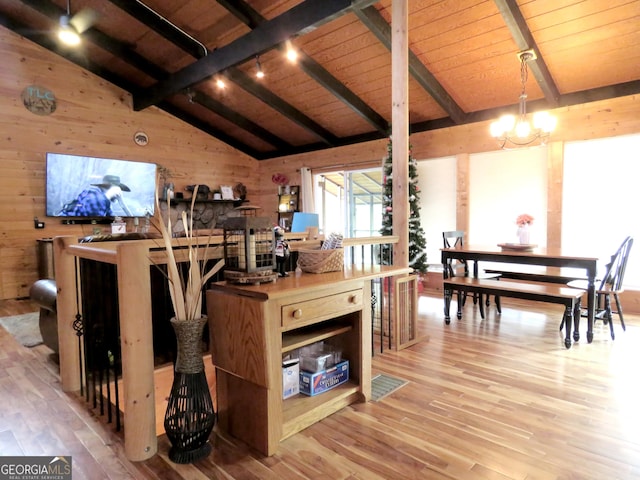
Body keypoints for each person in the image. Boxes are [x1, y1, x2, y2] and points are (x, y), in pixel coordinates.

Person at [59, 175, 132, 216]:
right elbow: (94, 214)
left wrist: (122, 204)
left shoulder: (106, 203)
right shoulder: (92, 192)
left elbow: (115, 221)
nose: (118, 193)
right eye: (117, 190)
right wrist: (109, 195)